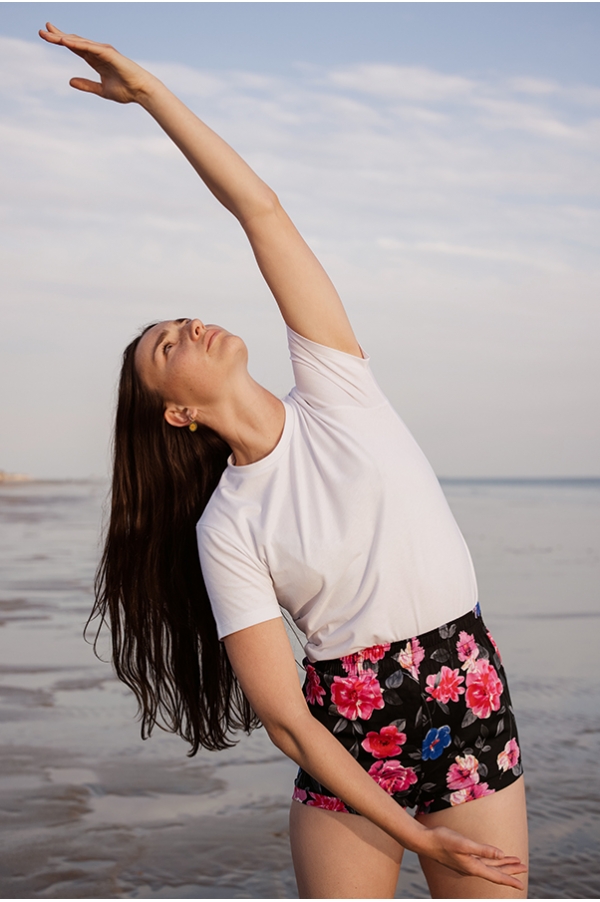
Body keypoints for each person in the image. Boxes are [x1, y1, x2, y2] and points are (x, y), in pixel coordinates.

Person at [40, 24, 528, 899]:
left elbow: (258, 208)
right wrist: (412, 832)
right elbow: (285, 719)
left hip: (470, 700)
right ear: (177, 413)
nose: (188, 326)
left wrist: (150, 95)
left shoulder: (337, 388)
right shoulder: (227, 523)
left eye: (179, 318)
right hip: (347, 742)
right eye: (164, 347)